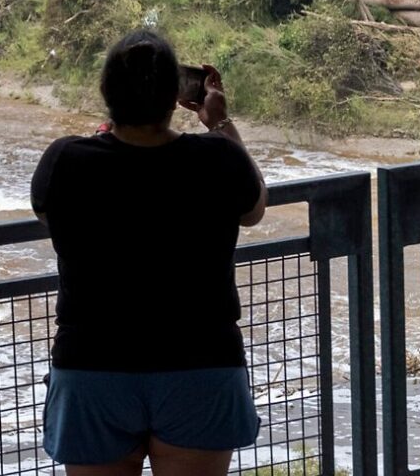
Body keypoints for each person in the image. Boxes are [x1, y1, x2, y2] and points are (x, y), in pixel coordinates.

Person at [32, 29, 267, 476]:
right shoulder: (217, 158)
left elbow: (49, 215)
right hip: (201, 364)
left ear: (106, 93)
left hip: (92, 366)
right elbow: (254, 208)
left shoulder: (66, 160)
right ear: (176, 96)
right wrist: (219, 122)